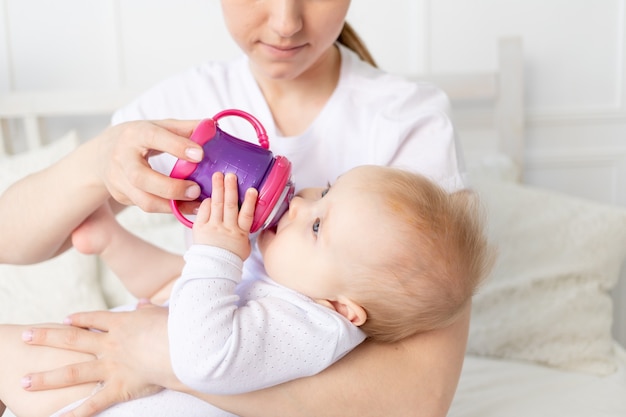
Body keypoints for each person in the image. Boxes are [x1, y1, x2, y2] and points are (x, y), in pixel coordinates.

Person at [0, 1, 471, 416]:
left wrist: (156, 356)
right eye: (324, 191)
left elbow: (419, 400)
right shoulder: (185, 102)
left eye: (318, 224)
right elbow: (10, 238)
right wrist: (98, 162)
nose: (286, 22)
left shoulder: (409, 119)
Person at [0, 165, 493, 417]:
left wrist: (216, 252)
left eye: (318, 227)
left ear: (343, 308)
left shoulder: (310, 328)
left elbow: (198, 356)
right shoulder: (288, 290)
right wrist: (115, 241)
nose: (298, 205)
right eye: (324, 190)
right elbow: (175, 291)